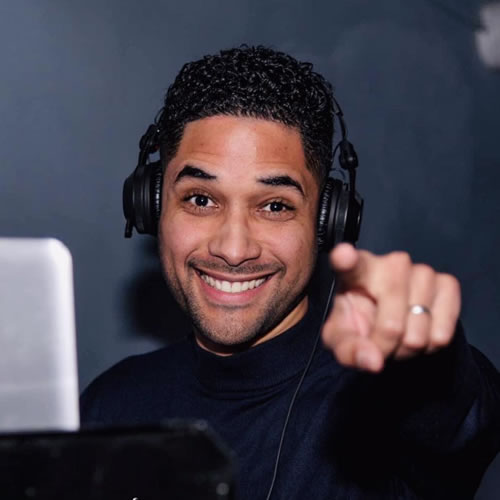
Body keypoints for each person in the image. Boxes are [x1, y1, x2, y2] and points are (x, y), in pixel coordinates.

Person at [81, 46, 500, 499]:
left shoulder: (377, 408)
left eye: (275, 206)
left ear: (328, 221)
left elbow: (458, 417)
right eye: (201, 199)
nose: (233, 249)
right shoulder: (110, 406)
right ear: (151, 206)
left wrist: (429, 355)